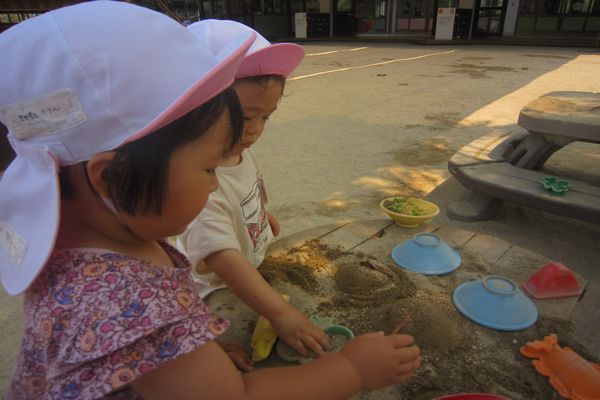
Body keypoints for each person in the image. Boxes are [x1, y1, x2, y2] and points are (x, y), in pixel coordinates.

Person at [0, 3, 421, 399]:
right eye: (209, 169)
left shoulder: (95, 241)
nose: (215, 186)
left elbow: (143, 349)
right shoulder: (126, 302)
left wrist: (195, 348)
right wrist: (352, 370)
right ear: (113, 177)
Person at [179, 20, 327, 365]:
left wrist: (259, 216)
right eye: (246, 117)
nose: (256, 130)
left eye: (266, 118)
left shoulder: (236, 152)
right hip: (221, 294)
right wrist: (281, 313)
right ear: (194, 109)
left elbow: (245, 195)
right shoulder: (200, 183)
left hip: (251, 273)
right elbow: (221, 257)